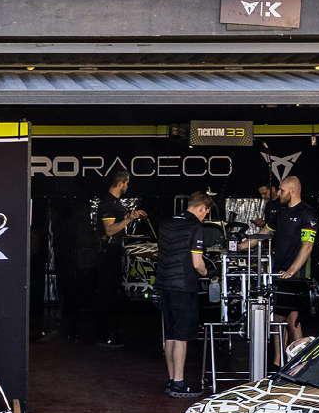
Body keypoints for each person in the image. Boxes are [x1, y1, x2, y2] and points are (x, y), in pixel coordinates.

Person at [72, 167, 145, 345]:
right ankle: (103, 334)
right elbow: (110, 230)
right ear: (121, 183)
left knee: (112, 292)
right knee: (106, 293)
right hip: (107, 254)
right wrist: (129, 219)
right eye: (127, 183)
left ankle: (109, 331)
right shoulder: (108, 204)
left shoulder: (115, 203)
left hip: (113, 252)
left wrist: (131, 215)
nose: (127, 187)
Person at [154, 191, 213, 397]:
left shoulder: (166, 223)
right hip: (183, 286)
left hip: (164, 284)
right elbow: (197, 263)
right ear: (201, 208)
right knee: (181, 336)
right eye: (206, 212)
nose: (205, 216)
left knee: (170, 334)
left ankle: (171, 380)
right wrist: (208, 273)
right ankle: (179, 383)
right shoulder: (195, 226)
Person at [268, 173, 318, 347]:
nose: (278, 193)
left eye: (282, 190)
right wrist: (240, 245)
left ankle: (298, 359)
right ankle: (278, 360)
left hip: (297, 274)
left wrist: (292, 271)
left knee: (293, 319)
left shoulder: (307, 213)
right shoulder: (280, 211)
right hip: (278, 272)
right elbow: (265, 233)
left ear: (293, 191)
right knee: (277, 318)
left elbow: (308, 245)